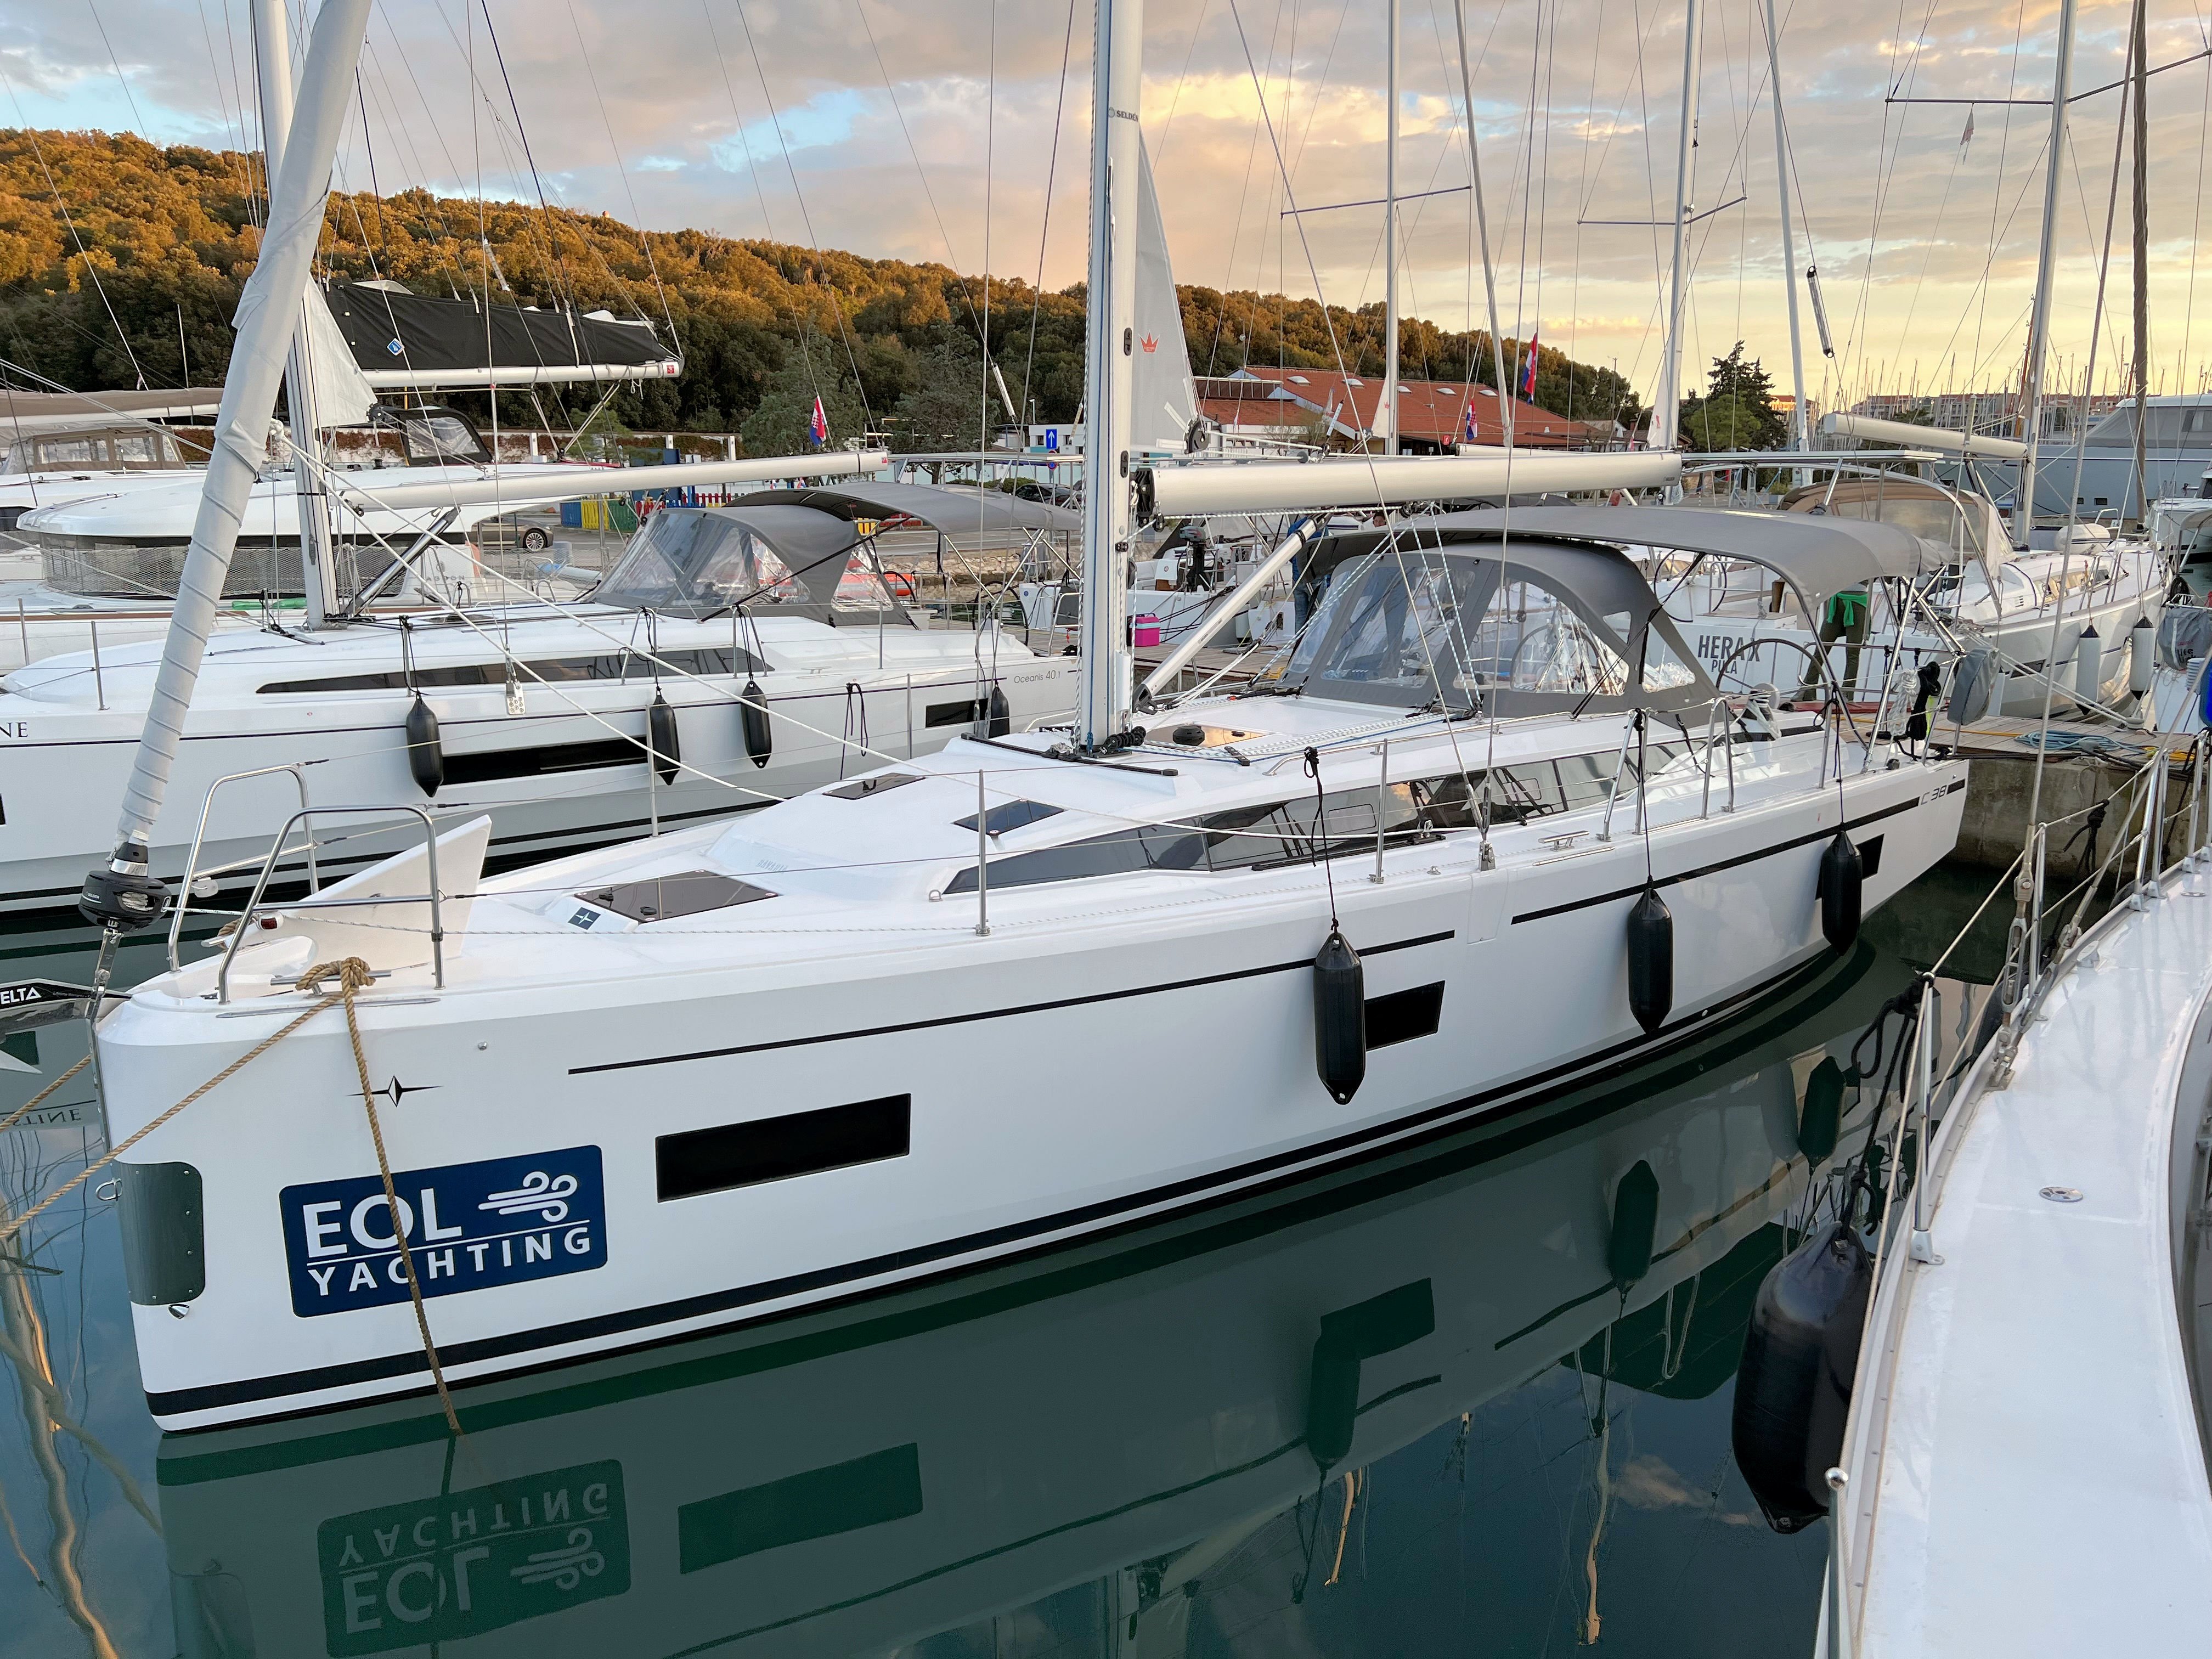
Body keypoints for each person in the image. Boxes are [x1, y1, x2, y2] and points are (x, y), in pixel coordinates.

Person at [1797, 584, 1871, 703]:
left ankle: (1847, 692)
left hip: (1859, 603)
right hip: (1836, 600)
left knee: (1853, 652)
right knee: (1821, 648)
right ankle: (1808, 689)